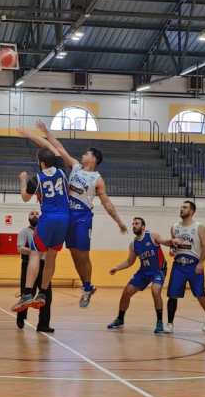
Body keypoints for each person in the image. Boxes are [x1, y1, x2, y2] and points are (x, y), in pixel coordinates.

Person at [20, 121, 128, 308]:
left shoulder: (97, 179)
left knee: (81, 255)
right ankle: (54, 290)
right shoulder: (75, 166)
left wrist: (119, 221)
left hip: (82, 217)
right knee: (68, 254)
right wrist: (46, 131)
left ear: (93, 158)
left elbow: (107, 203)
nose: (83, 155)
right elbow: (58, 148)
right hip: (66, 214)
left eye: (87, 153)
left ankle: (87, 287)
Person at [9, 148, 69, 332]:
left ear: (41, 163)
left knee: (35, 253)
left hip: (48, 219)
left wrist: (22, 180)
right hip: (65, 219)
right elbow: (57, 152)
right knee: (51, 256)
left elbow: (25, 198)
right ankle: (42, 292)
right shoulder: (62, 171)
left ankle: (27, 294)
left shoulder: (36, 179)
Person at [106, 217, 175, 334]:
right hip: (143, 272)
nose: (134, 225)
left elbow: (165, 242)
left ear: (143, 227)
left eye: (137, 223)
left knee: (155, 290)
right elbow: (129, 262)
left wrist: (173, 242)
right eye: (133, 224)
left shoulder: (152, 236)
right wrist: (117, 268)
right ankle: (120, 319)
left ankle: (159, 322)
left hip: (158, 270)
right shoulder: (133, 244)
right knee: (126, 292)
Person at [167, 200, 205, 334]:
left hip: (194, 265)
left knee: (200, 293)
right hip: (178, 265)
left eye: (185, 207)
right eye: (181, 207)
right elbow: (173, 245)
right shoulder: (174, 227)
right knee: (172, 294)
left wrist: (201, 263)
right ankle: (170, 323)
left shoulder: (199, 227)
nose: (181, 209)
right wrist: (172, 250)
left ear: (192, 211)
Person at [14, 211, 53, 331]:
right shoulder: (24, 232)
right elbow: (20, 248)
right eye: (32, 214)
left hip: (44, 265)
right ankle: (21, 318)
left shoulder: (46, 232)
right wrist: (35, 251)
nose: (35, 215)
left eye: (37, 214)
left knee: (46, 296)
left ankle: (43, 324)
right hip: (28, 264)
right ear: (28, 218)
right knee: (26, 294)